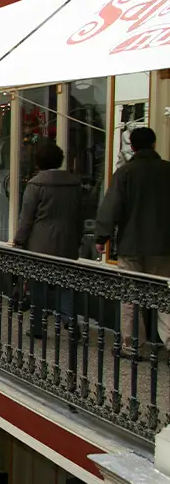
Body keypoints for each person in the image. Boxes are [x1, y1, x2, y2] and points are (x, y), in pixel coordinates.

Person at [95, 127, 170, 343]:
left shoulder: (126, 173)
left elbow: (112, 206)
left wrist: (102, 237)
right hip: (163, 245)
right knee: (164, 296)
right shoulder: (167, 171)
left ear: (133, 147)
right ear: (154, 145)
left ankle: (132, 343)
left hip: (131, 244)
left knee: (130, 296)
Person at [12, 142, 82, 338]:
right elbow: (79, 216)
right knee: (65, 283)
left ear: (38, 162)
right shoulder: (74, 184)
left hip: (40, 243)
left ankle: (37, 327)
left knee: (38, 286)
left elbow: (26, 217)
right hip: (67, 241)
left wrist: (19, 240)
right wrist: (77, 239)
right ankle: (70, 320)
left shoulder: (35, 185)